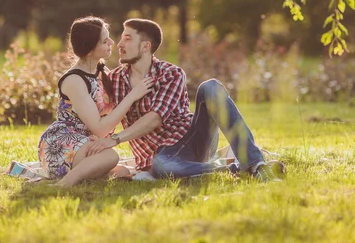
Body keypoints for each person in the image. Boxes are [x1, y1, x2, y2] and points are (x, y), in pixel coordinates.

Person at [86, 18, 283, 182]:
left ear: (145, 46)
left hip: (191, 140)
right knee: (162, 165)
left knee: (210, 86)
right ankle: (234, 169)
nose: (119, 44)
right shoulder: (114, 80)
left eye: (127, 39)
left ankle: (256, 164)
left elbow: (155, 118)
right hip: (158, 158)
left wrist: (115, 140)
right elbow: (104, 116)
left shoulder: (171, 74)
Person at [38, 16, 154, 187]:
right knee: (111, 157)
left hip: (89, 143)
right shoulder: (74, 80)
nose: (112, 43)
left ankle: (88, 172)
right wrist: (133, 95)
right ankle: (64, 184)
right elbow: (100, 129)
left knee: (122, 171)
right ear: (90, 48)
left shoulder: (102, 72)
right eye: (105, 41)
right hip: (61, 142)